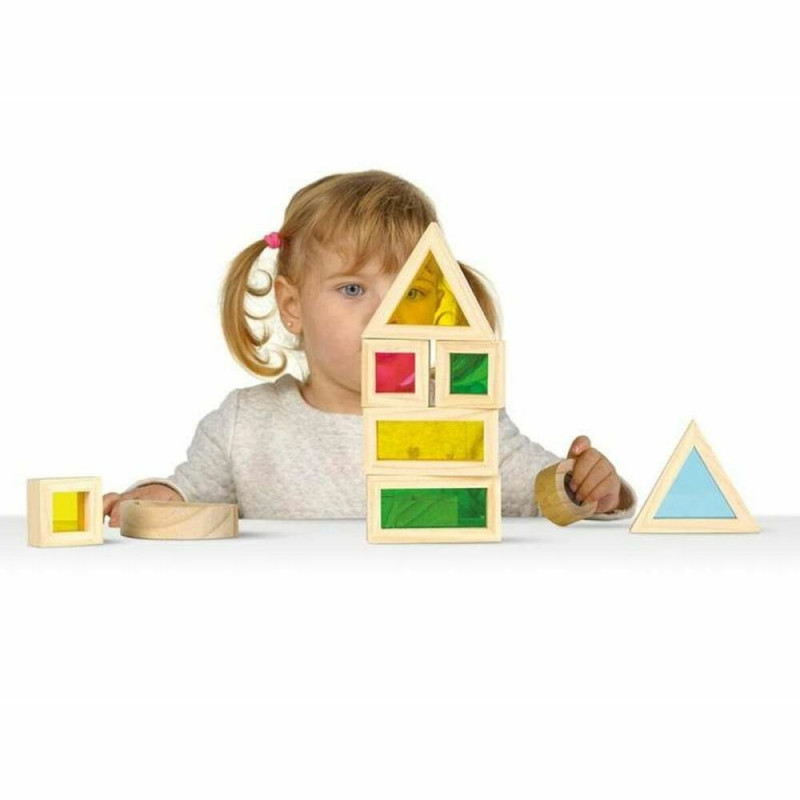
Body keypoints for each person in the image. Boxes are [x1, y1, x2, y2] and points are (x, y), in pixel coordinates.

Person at [103, 170, 636, 526]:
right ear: (292, 306)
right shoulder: (243, 425)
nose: (388, 315)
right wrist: (153, 501)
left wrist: (585, 486)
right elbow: (189, 499)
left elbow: (539, 494)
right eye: (354, 290)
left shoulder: (460, 415)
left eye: (413, 292)